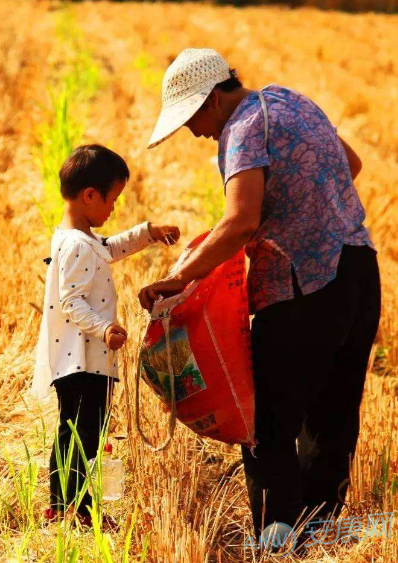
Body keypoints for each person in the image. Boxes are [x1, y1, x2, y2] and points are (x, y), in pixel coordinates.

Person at [139, 48, 381, 543]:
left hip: (303, 287)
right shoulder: (293, 102)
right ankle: (323, 532)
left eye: (191, 119)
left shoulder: (243, 130)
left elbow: (241, 221)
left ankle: (279, 539)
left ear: (212, 99)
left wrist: (179, 277)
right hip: (359, 268)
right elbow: (350, 164)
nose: (193, 131)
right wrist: (304, 208)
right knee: (332, 415)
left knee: (266, 421)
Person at [31, 144, 180, 528]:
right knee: (81, 435)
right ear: (90, 195)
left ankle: (64, 506)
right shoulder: (78, 245)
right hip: (81, 361)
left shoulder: (77, 238)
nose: (114, 207)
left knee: (78, 431)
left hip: (83, 358)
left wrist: (149, 233)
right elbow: (71, 302)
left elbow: (109, 247)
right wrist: (105, 327)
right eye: (112, 199)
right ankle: (73, 508)